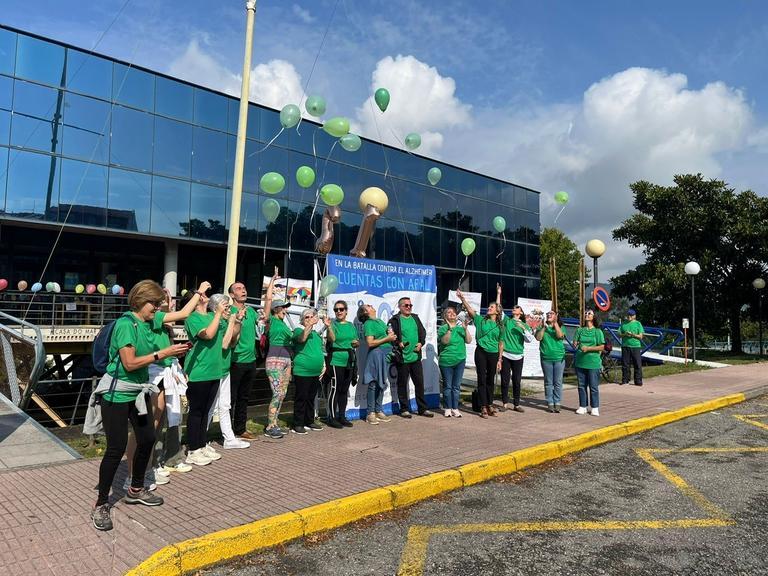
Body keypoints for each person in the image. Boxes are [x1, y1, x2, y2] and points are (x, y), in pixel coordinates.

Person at [89, 280, 190, 531]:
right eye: (154, 304)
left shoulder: (150, 322)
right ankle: (101, 503)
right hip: (117, 394)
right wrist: (162, 355)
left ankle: (135, 489)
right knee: (116, 448)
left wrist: (172, 351)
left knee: (146, 438)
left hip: (138, 391)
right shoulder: (126, 325)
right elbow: (130, 363)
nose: (157, 309)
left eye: (159, 304)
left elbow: (179, 315)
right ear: (139, 302)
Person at [124, 283, 210, 489]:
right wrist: (198, 291)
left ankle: (146, 468)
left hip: (162, 372)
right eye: (157, 300)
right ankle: (136, 472)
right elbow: (184, 312)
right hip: (150, 373)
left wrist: (171, 353)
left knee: (157, 423)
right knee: (144, 427)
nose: (161, 303)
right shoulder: (138, 321)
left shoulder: (158, 320)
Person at [183, 290, 229, 465]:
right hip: (198, 371)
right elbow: (207, 335)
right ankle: (193, 449)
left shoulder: (212, 315)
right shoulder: (192, 318)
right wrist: (218, 314)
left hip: (214, 370)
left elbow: (226, 340)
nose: (205, 296)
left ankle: (202, 444)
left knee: (206, 411)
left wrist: (232, 319)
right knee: (196, 411)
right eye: (201, 295)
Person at [206, 293, 249, 449]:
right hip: (212, 369)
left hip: (224, 368)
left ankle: (229, 438)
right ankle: (200, 440)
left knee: (225, 405)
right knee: (209, 406)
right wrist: (232, 320)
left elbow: (232, 342)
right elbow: (224, 344)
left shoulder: (225, 321)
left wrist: (237, 320)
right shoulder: (213, 319)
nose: (229, 309)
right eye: (226, 306)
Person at [457, 285, 502, 418]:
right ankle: (482, 406)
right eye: (489, 307)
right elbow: (470, 310)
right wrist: (463, 299)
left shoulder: (500, 325)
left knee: (490, 380)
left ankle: (490, 404)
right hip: (481, 352)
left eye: (491, 307)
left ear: (497, 312)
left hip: (493, 354)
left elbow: (501, 343)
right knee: (481, 378)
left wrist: (500, 359)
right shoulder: (481, 320)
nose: (489, 308)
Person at [388, 297, 433, 418]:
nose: (408, 307)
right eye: (406, 305)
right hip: (403, 358)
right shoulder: (394, 320)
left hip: (415, 357)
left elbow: (422, 332)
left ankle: (422, 409)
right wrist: (398, 343)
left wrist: (421, 343)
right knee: (402, 384)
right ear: (400, 307)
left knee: (419, 384)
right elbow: (390, 335)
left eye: (410, 305)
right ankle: (404, 409)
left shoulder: (415, 318)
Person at [263, 268, 294, 439]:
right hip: (274, 360)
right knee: (276, 393)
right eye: (283, 307)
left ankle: (274, 423)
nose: (285, 310)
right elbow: (268, 300)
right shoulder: (271, 322)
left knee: (282, 393)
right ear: (276, 309)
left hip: (286, 359)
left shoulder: (284, 324)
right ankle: (269, 426)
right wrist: (273, 281)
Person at [227, 281, 259, 440]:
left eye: (244, 288)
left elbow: (265, 316)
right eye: (239, 289)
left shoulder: (251, 311)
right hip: (235, 360)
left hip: (251, 360)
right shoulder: (228, 311)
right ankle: (227, 431)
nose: (243, 290)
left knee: (244, 397)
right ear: (232, 295)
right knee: (231, 397)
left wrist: (272, 285)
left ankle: (240, 429)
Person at [359, 304, 396, 425]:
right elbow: (370, 343)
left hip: (385, 354)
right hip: (376, 354)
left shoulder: (380, 321)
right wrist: (387, 339)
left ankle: (379, 410)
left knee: (382, 383)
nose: (371, 305)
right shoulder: (368, 323)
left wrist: (391, 335)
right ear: (365, 312)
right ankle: (370, 413)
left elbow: (387, 336)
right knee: (374, 383)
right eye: (368, 306)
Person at [291, 308, 326, 434]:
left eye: (312, 317)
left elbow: (319, 351)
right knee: (301, 397)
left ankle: (309, 420)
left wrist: (323, 365)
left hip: (315, 372)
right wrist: (309, 325)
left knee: (311, 397)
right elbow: (302, 339)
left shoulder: (316, 335)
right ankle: (298, 423)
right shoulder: (298, 330)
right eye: (307, 317)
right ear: (302, 320)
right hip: (303, 371)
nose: (310, 319)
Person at [325, 300, 358, 428]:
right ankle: (331, 418)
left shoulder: (351, 325)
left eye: (341, 309)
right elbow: (331, 339)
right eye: (336, 309)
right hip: (336, 360)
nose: (339, 311)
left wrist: (356, 343)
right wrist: (328, 327)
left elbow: (356, 341)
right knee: (335, 389)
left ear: (346, 311)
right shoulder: (332, 324)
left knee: (344, 390)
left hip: (349, 361)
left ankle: (342, 416)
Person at [497, 302, 533, 413]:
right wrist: (499, 293)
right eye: (513, 307)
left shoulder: (525, 325)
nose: (514, 308)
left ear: (521, 312)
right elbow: (499, 309)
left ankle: (516, 404)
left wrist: (522, 327)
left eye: (517, 308)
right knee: (504, 380)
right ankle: (505, 404)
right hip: (506, 354)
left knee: (517, 381)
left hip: (518, 356)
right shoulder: (507, 320)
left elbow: (530, 339)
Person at [438, 305, 471, 418]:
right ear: (445, 316)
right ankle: (447, 408)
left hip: (460, 360)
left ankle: (455, 408)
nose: (452, 314)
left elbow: (469, 340)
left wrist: (465, 329)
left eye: (453, 312)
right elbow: (445, 341)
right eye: (449, 312)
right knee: (448, 386)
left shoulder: (461, 328)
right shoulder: (443, 328)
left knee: (456, 387)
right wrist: (450, 329)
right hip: (446, 361)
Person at [574, 309, 605, 416]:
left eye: (589, 313)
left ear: (594, 317)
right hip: (580, 361)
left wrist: (588, 348)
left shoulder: (598, 331)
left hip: (593, 362)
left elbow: (601, 346)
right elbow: (575, 343)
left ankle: (595, 407)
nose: (587, 314)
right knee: (581, 385)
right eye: (586, 313)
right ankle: (583, 406)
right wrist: (576, 343)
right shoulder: (580, 330)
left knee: (593, 386)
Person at [535, 310, 566, 413]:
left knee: (557, 382)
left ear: (556, 316)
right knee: (548, 382)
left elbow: (559, 335)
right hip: (546, 358)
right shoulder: (541, 327)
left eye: (551, 313)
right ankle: (550, 402)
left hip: (559, 358)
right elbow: (538, 338)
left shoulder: (561, 326)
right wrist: (543, 327)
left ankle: (557, 402)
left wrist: (555, 323)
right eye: (547, 313)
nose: (548, 315)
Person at [619, 308, 644, 386]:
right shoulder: (623, 324)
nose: (629, 316)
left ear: (634, 316)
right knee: (625, 364)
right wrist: (625, 334)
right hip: (625, 346)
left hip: (635, 346)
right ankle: (625, 379)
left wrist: (633, 335)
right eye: (628, 315)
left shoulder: (638, 324)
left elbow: (641, 336)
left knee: (637, 364)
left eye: (631, 315)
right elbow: (619, 333)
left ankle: (638, 380)